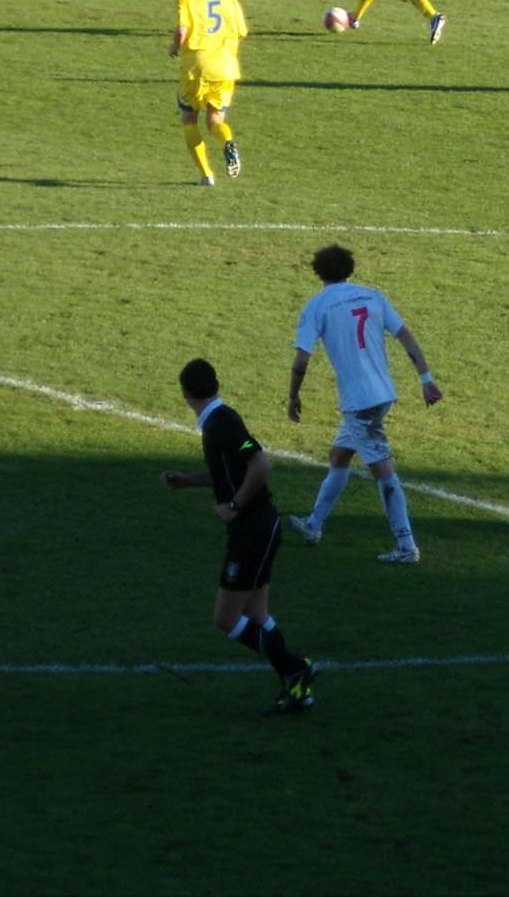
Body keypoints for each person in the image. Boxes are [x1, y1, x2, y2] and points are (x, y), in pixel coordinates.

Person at [161, 357, 318, 717]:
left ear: (185, 393)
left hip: (251, 531)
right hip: (260, 527)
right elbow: (233, 466)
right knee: (257, 613)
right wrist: (188, 480)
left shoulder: (221, 424)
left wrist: (234, 503)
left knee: (226, 618)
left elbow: (260, 464)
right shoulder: (220, 421)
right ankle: (295, 683)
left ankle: (295, 668)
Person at [285, 244, 443, 564]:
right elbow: (406, 337)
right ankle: (314, 525)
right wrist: (426, 379)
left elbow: (301, 360)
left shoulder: (317, 306)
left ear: (318, 272)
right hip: (382, 392)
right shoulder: (373, 296)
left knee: (383, 471)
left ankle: (406, 546)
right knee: (339, 455)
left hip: (360, 402)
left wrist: (293, 395)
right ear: (349, 268)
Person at [169, 0, 247, 187]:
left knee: (189, 120)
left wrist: (173, 46)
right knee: (215, 121)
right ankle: (227, 141)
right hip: (225, 67)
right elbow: (243, 32)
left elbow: (182, 31)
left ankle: (206, 175)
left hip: (196, 67)